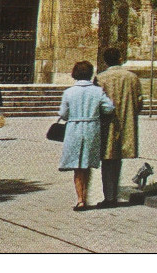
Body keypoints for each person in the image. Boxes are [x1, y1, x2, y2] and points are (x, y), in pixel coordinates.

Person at [58, 60, 115, 211]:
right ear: (90, 74)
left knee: (77, 167)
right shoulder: (97, 91)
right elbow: (109, 108)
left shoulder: (69, 92)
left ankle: (80, 199)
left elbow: (63, 114)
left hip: (74, 129)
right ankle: (86, 194)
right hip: (91, 128)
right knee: (86, 164)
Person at [95, 47, 143, 208]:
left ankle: (109, 196)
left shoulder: (100, 78)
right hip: (126, 123)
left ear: (105, 61)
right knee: (118, 160)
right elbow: (139, 102)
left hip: (107, 124)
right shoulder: (132, 78)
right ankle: (113, 193)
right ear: (120, 59)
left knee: (107, 160)